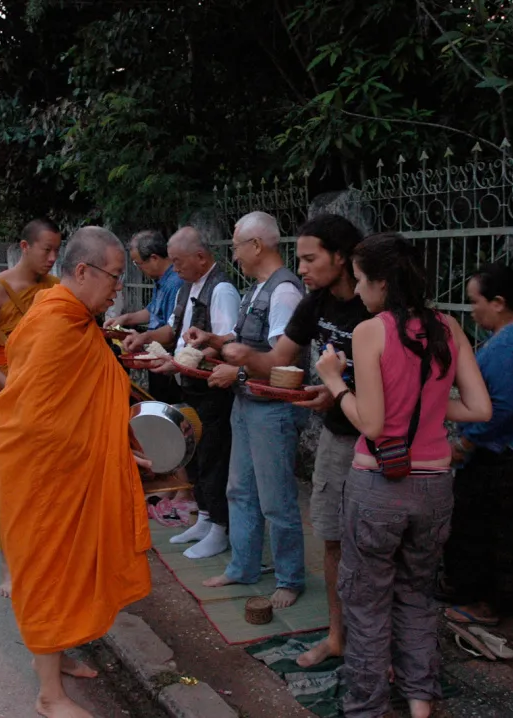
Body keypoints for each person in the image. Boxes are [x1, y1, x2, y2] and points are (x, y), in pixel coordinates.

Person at [315, 233, 490, 718]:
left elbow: (371, 424)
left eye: (359, 279)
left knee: (366, 602)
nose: (356, 289)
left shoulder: (371, 331)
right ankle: (419, 704)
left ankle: (366, 707)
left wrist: (333, 380)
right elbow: (480, 408)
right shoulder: (448, 327)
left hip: (379, 485)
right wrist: (426, 405)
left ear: (381, 282)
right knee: (416, 595)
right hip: (435, 486)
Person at [0, 226, 152, 718]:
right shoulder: (55, 323)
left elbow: (82, 402)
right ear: (82, 271)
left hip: (65, 468)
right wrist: (108, 449)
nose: (118, 289)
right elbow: (37, 421)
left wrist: (116, 442)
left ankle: (54, 658)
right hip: (42, 475)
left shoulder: (74, 318)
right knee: (48, 572)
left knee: (69, 573)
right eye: (114, 277)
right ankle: (49, 696)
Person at [213, 213, 368, 664]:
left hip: (382, 438)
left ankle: (375, 644)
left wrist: (243, 363)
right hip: (338, 430)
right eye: (299, 259)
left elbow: (394, 379)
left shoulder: (376, 306)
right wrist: (244, 356)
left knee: (369, 543)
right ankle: (337, 636)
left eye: (310, 259)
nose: (301, 269)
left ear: (341, 258)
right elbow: (279, 357)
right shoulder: (314, 300)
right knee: (331, 537)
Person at [187, 212, 307, 608]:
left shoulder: (284, 292)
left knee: (276, 499)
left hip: (271, 408)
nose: (234, 256)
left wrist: (237, 368)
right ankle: (243, 566)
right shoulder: (257, 289)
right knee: (239, 490)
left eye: (237, 246)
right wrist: (214, 340)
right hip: (247, 401)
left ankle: (289, 578)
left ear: (256, 245)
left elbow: (283, 363)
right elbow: (245, 343)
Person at [441, 263, 513, 628]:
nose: (471, 309)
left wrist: (465, 443)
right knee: (498, 525)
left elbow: (501, 408)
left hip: (512, 453)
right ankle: (479, 589)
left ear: (499, 302)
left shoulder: (509, 344)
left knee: (501, 530)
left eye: (475, 301)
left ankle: (493, 604)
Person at [127, 227, 241, 559]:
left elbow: (227, 346)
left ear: (201, 257)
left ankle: (220, 527)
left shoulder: (221, 290)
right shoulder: (188, 287)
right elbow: (175, 331)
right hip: (188, 384)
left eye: (177, 261)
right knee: (195, 454)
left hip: (212, 390)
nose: (174, 268)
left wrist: (181, 363)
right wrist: (151, 344)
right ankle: (204, 518)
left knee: (214, 458)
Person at [0, 218, 61, 596]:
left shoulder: (55, 289)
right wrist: (11, 386)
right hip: (4, 391)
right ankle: (10, 563)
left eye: (57, 251)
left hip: (46, 392)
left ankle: (45, 555)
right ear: (24, 246)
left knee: (44, 477)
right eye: (46, 250)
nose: (52, 258)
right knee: (6, 478)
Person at [106, 229, 184, 404]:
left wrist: (143, 338)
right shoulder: (161, 280)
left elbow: (171, 330)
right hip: (155, 353)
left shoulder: (175, 283)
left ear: (154, 258)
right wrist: (124, 319)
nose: (138, 268)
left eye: (137, 263)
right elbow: (152, 311)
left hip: (166, 358)